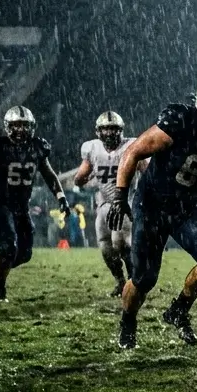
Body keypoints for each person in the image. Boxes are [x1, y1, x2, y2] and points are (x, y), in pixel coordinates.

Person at [106, 73, 197, 349]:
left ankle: (178, 310)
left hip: (187, 207)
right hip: (152, 205)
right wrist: (119, 197)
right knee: (143, 279)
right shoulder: (181, 121)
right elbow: (133, 152)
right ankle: (128, 321)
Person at [0, 107, 69, 301]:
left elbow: (49, 175)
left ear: (32, 127)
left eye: (24, 125)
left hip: (21, 206)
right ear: (8, 127)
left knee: (24, 254)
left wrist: (61, 197)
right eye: (16, 125)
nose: (20, 130)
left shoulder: (38, 147)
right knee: (8, 248)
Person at [72, 111, 136, 297]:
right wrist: (88, 177)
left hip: (125, 202)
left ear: (121, 130)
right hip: (104, 204)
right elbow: (79, 179)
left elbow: (146, 170)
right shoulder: (92, 148)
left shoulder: (131, 146)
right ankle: (120, 282)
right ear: (98, 131)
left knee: (121, 244)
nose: (109, 133)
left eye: (113, 129)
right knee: (106, 247)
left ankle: (134, 281)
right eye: (106, 129)